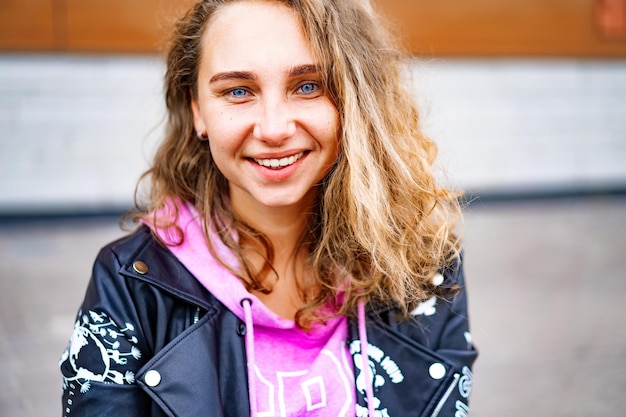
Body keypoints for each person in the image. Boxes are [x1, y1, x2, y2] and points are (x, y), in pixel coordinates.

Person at [59, 0, 478, 416]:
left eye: (308, 85)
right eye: (238, 91)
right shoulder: (130, 284)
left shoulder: (424, 270)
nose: (274, 128)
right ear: (197, 110)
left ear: (356, 100)